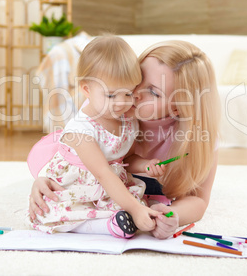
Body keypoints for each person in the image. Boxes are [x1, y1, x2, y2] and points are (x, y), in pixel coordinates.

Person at [29, 40, 221, 239]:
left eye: (153, 92)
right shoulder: (108, 108)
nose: (134, 93)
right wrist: (43, 178)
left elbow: (198, 200)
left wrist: (172, 215)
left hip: (129, 189)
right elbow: (71, 155)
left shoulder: (198, 139)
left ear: (177, 108)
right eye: (139, 78)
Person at [25, 35, 161, 239]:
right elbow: (103, 174)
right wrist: (134, 209)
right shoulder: (81, 129)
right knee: (59, 211)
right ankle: (104, 226)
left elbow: (126, 159)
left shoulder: (127, 120)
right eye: (111, 95)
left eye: (128, 93)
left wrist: (145, 165)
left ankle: (116, 217)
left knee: (136, 199)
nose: (121, 103)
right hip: (78, 184)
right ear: (87, 90)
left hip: (109, 183)